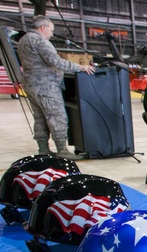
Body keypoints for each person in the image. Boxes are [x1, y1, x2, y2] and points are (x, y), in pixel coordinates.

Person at [17, 15, 95, 158]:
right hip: (46, 86)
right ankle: (62, 150)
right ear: (43, 28)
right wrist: (81, 67)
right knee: (57, 116)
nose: (52, 34)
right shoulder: (40, 41)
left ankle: (43, 149)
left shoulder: (23, 40)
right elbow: (56, 62)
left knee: (40, 118)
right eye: (51, 31)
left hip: (30, 85)